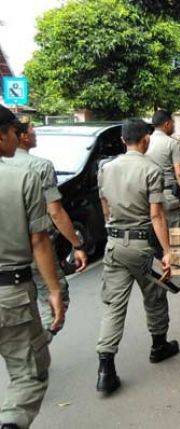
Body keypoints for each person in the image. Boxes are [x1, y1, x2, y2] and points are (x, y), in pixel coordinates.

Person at [96, 119, 179, 395]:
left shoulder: (105, 169)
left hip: (114, 245)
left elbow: (105, 207)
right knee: (155, 294)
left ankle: (105, 368)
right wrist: (168, 252)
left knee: (114, 305)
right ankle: (159, 346)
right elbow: (156, 215)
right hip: (143, 245)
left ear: (122, 140)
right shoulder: (151, 170)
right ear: (145, 139)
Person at [0, 106, 65, 428]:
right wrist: (54, 291)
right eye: (14, 132)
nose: (19, 137)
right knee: (29, 376)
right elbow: (39, 240)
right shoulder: (23, 176)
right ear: (1, 136)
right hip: (11, 293)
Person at [2, 121, 87, 332]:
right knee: (56, 296)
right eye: (32, 131)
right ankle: (38, 345)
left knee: (22, 302)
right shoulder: (40, 166)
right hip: (35, 249)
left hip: (7, 255)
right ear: (20, 136)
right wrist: (76, 245)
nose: (35, 135)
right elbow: (55, 212)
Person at [146, 110, 180, 228]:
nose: (174, 126)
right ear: (166, 124)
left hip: (148, 197)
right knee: (175, 233)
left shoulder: (145, 142)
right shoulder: (172, 143)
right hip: (167, 195)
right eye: (173, 123)